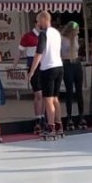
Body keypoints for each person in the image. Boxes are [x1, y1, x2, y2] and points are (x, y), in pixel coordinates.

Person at [27, 11, 64, 139]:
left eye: (38, 21)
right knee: (55, 98)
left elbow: (39, 53)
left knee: (47, 99)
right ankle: (59, 125)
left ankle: (50, 126)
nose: (37, 24)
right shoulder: (56, 33)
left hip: (48, 68)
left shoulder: (44, 34)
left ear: (44, 19)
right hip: (59, 66)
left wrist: (31, 71)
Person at [18, 25, 45, 133]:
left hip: (44, 66)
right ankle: (38, 118)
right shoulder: (28, 36)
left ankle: (43, 117)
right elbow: (20, 50)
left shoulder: (45, 36)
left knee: (44, 94)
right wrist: (15, 63)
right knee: (38, 94)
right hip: (33, 67)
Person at [61, 21, 86, 130]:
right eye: (76, 29)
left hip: (76, 62)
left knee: (79, 91)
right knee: (69, 91)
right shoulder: (62, 39)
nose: (78, 31)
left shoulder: (76, 38)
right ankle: (69, 117)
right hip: (66, 63)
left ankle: (81, 116)